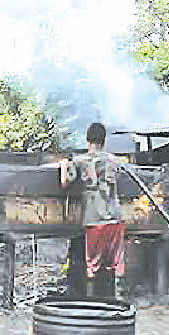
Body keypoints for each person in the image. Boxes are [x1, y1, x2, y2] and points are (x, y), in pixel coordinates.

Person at [60, 122, 126, 298]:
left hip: (95, 220)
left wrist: (63, 166)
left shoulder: (80, 161)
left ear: (87, 140)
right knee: (114, 265)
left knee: (92, 266)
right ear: (104, 141)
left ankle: (90, 304)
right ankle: (114, 300)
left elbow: (65, 183)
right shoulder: (114, 160)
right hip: (116, 220)